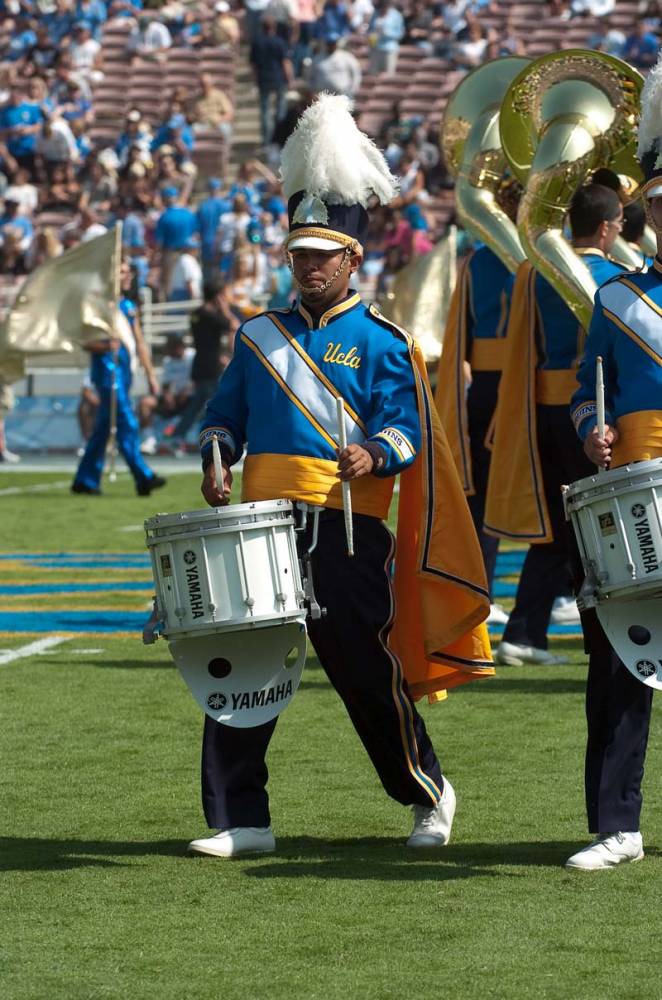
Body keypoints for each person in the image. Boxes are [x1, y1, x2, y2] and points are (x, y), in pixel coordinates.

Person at [187, 94, 492, 859]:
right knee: (241, 668)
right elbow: (222, 416)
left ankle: (426, 790)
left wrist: (377, 452)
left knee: (361, 671)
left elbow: (408, 427)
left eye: (323, 255)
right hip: (261, 525)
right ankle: (241, 819)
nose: (309, 266)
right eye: (299, 255)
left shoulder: (385, 340)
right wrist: (218, 453)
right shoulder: (259, 336)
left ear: (354, 259)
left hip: (348, 526)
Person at [563, 58, 662, 870]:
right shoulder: (618, 299)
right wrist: (594, 429)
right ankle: (617, 826)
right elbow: (583, 391)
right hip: (635, 500)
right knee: (622, 659)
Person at [485, 183, 626, 665]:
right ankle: (594, 637)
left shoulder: (536, 275)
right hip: (596, 416)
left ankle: (524, 631)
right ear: (607, 228)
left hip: (541, 409)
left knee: (560, 529)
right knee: (599, 530)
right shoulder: (615, 279)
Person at [435, 181, 520, 626]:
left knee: (484, 496)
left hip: (487, 388)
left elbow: (460, 339)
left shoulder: (475, 264)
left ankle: (479, 592)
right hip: (531, 386)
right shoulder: (539, 262)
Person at [72, 261, 165, 496]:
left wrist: (150, 373)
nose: (127, 276)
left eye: (127, 271)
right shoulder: (100, 306)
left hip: (124, 374)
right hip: (107, 373)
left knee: (103, 428)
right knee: (126, 421)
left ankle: (85, 479)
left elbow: (139, 341)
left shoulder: (127, 305)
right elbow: (83, 340)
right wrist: (104, 345)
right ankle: (142, 474)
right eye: (121, 272)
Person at [166, 276, 238, 452]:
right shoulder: (211, 316)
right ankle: (208, 436)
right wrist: (226, 310)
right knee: (219, 404)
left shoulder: (197, 314)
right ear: (217, 296)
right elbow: (235, 325)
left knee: (199, 404)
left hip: (200, 364)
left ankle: (180, 435)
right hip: (211, 366)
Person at [138, 333, 195, 452]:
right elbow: (166, 384)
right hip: (174, 398)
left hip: (191, 398)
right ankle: (149, 439)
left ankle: (188, 439)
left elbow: (200, 379)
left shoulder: (193, 356)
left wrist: (187, 390)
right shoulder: (168, 361)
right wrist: (167, 395)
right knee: (145, 403)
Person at [249, 15, 293, 146]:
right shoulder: (279, 42)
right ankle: (279, 139)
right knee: (280, 111)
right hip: (278, 79)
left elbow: (253, 66)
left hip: (263, 79)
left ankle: (266, 141)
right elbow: (285, 62)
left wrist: (255, 80)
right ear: (273, 28)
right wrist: (290, 79)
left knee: (265, 111)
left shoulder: (257, 42)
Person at [308, 34, 362, 98]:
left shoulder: (346, 57)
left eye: (333, 43)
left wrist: (353, 90)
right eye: (329, 43)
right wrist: (312, 90)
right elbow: (309, 76)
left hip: (342, 94)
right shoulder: (317, 58)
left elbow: (356, 73)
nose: (331, 45)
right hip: (322, 96)